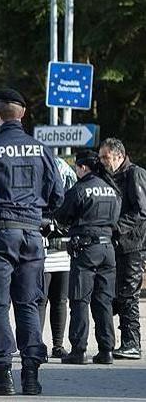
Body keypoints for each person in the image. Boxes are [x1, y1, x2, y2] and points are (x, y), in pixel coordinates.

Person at [0, 88, 63, 396]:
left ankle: (1, 374)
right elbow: (57, 195)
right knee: (29, 303)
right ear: (23, 114)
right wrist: (36, 215)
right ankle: (31, 376)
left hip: (0, 234)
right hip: (32, 234)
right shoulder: (41, 149)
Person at [54, 150, 121, 365]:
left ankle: (79, 350)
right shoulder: (112, 189)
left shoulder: (80, 189)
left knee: (80, 299)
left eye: (77, 167)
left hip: (86, 250)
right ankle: (106, 350)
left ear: (83, 167)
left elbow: (62, 215)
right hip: (108, 249)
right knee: (104, 301)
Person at [98, 138, 146, 360]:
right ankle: (125, 340)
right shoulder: (109, 175)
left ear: (118, 156)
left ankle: (132, 343)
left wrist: (116, 228)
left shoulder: (134, 174)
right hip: (116, 245)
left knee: (128, 293)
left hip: (133, 245)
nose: (102, 161)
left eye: (105, 157)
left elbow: (141, 211)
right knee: (117, 294)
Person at [39, 157, 77, 358]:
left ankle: (58, 345)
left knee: (60, 301)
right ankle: (36, 344)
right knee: (41, 301)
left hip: (63, 255)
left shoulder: (71, 197)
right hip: (43, 254)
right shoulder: (38, 196)